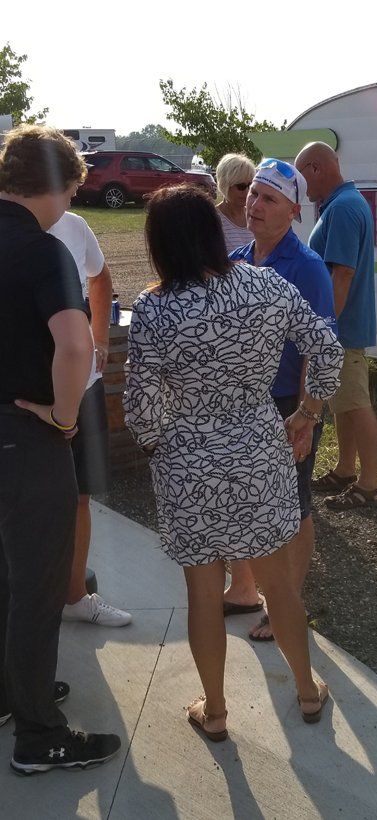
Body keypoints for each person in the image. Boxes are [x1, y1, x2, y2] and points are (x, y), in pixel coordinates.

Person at [123, 184, 343, 741]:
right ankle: (308, 690)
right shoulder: (267, 286)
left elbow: (142, 407)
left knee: (202, 590)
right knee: (278, 586)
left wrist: (160, 443)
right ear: (212, 233)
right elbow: (328, 347)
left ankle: (216, 711)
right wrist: (307, 411)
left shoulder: (153, 309)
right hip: (260, 447)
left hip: (188, 459)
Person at [0, 125, 121, 774]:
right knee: (38, 587)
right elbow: (76, 347)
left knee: (2, 575)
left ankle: (11, 694)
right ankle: (39, 734)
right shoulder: (44, 251)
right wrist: (65, 415)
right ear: (67, 185)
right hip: (26, 435)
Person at [225, 158, 336, 641]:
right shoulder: (235, 261)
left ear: (293, 211)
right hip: (242, 403)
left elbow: (324, 347)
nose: (255, 205)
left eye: (268, 199)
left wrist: (308, 416)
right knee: (242, 501)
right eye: (252, 195)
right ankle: (245, 589)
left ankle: (286, 603)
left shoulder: (307, 267)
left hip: (290, 401)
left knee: (293, 507)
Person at [48, 212, 132, 627]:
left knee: (81, 494)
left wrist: (100, 336)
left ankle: (75, 595)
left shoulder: (74, 225)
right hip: (27, 394)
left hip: (85, 385)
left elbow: (100, 278)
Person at [295, 142, 377, 509]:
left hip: (340, 329)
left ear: (316, 168)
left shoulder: (343, 209)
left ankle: (369, 483)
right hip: (340, 327)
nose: (301, 187)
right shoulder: (343, 204)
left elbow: (342, 273)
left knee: (356, 402)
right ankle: (346, 469)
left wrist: (324, 329)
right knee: (341, 403)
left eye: (302, 176)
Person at [215, 153, 256, 254]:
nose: (247, 191)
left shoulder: (257, 216)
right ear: (225, 185)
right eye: (241, 186)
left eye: (250, 185)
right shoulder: (212, 220)